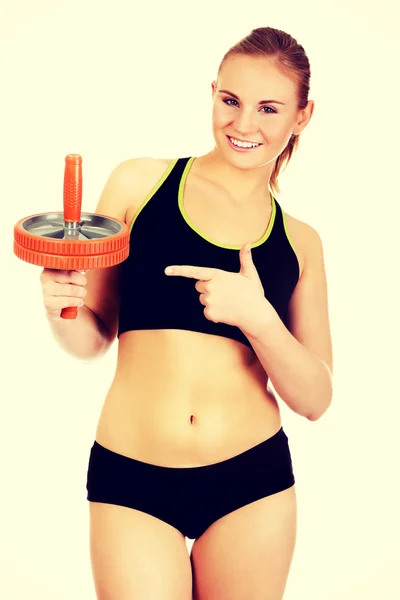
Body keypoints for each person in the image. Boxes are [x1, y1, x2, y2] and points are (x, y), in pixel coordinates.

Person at [40, 26, 333, 600]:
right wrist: (60, 309)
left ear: (302, 116)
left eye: (268, 108)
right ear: (214, 93)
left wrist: (258, 317)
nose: (243, 125)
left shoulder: (301, 242)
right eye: (230, 100)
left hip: (253, 484)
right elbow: (93, 336)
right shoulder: (138, 184)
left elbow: (316, 398)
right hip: (132, 476)